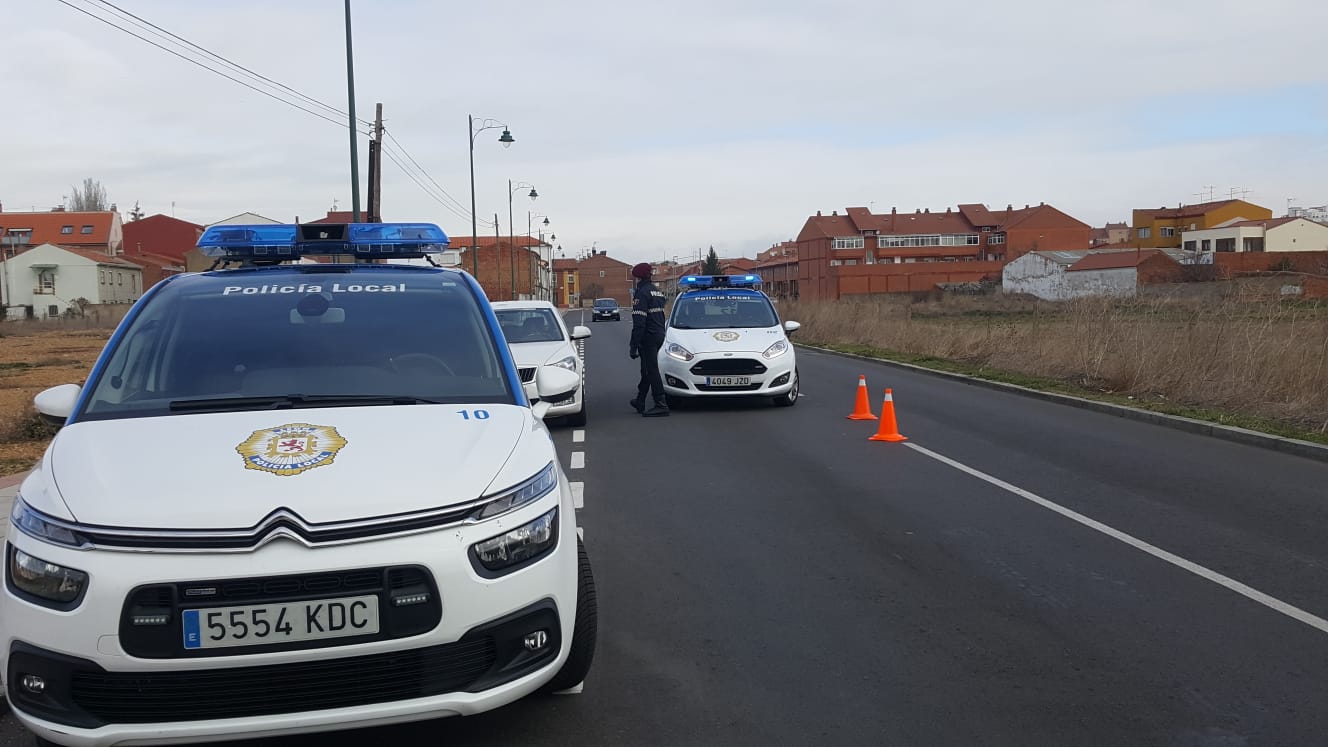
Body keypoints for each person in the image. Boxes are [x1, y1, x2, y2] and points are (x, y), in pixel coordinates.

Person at [628, 262, 669, 417]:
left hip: (649, 336)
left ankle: (660, 403)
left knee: (651, 370)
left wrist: (633, 345)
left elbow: (639, 322)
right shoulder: (657, 292)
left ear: (638, 277)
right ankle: (640, 399)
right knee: (646, 369)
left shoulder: (642, 293)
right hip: (659, 334)